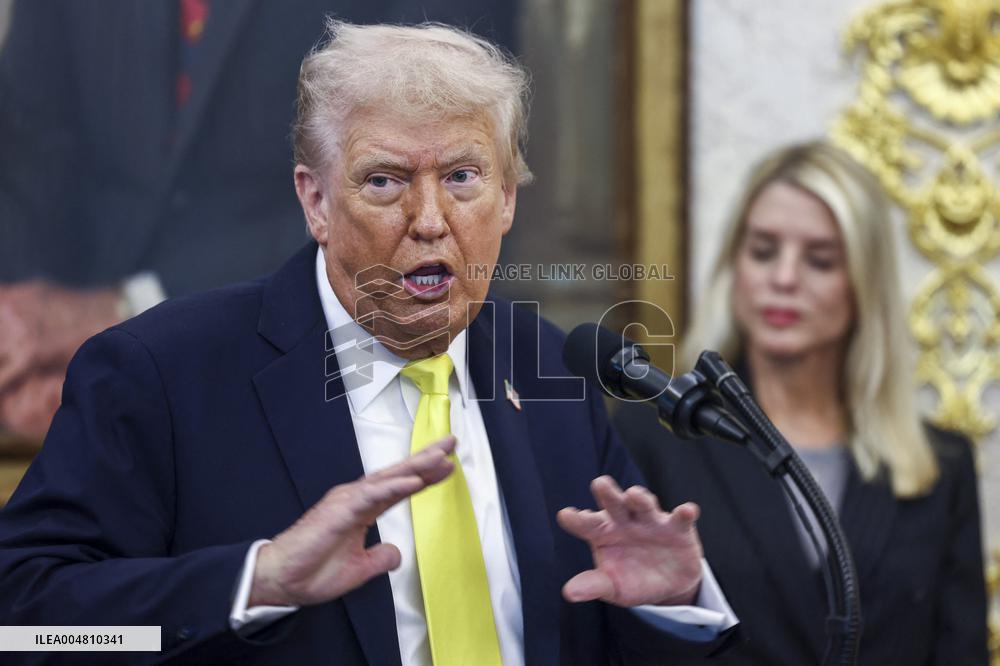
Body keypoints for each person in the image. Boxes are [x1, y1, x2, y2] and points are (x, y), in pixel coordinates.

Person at [0, 21, 740, 665]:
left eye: (462, 177)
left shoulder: (549, 369)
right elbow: (25, 629)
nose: (429, 219)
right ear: (315, 200)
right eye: (385, 181)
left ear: (508, 198)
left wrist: (667, 603)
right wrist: (252, 582)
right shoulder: (162, 373)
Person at [0, 0, 515, 439]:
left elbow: (429, 163)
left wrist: (126, 306)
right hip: (71, 397)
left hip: (329, 379)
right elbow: (31, 138)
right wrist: (22, 342)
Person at [615, 141, 989, 665]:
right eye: (764, 251)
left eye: (820, 260)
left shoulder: (939, 466)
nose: (784, 279)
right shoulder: (655, 437)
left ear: (863, 283)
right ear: (735, 267)